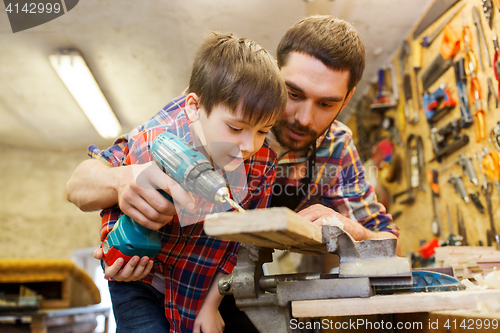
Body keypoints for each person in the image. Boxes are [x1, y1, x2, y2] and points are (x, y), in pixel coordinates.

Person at [67, 15, 400, 332]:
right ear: (274, 73)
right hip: (153, 275)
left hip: (220, 279)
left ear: (347, 99)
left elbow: (387, 245)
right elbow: (81, 183)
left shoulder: (337, 148)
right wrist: (120, 180)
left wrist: (351, 229)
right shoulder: (211, 107)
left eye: (326, 104)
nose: (304, 118)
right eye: (293, 94)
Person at [78, 32, 287, 333]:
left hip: (199, 283)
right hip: (141, 280)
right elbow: (115, 202)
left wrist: (211, 305)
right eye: (235, 127)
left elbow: (242, 245)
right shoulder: (155, 141)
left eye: (262, 131)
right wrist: (118, 250)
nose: (248, 146)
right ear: (193, 107)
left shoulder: (262, 164)